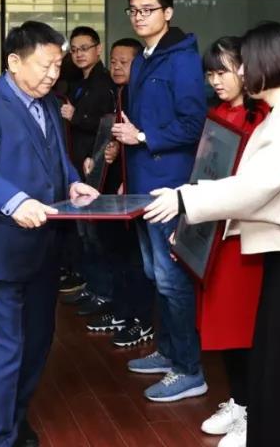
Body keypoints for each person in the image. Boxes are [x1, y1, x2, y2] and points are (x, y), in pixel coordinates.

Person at [144, 22, 280, 446]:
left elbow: (255, 188)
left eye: (244, 62)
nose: (239, 72)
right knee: (274, 362)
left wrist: (184, 200)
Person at [0, 21, 97, 447]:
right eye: (45, 65)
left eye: (58, 65)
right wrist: (14, 200)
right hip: (2, 245)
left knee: (38, 342)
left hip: (45, 244)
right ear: (14, 62)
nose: (53, 74)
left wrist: (72, 182)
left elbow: (57, 155)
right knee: (6, 349)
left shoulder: (50, 102)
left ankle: (16, 420)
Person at [111, 0, 207, 403]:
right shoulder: (145, 58)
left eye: (148, 9)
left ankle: (189, 369)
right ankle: (169, 351)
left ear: (168, 13)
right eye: (133, 10)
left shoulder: (182, 60)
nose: (139, 16)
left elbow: (193, 124)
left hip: (169, 184)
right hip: (142, 181)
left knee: (171, 278)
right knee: (155, 274)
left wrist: (144, 137)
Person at [185, 37, 270, 447]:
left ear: (245, 68)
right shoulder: (216, 114)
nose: (216, 81)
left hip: (245, 237)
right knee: (222, 327)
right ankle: (238, 401)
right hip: (214, 232)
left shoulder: (264, 117)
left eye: (224, 71)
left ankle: (254, 412)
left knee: (244, 328)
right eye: (211, 74)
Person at [84, 38, 157, 348]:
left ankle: (142, 319)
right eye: (113, 61)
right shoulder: (120, 94)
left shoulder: (145, 97)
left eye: (123, 62)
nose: (116, 67)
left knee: (136, 259)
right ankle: (123, 311)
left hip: (138, 191)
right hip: (113, 187)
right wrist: (112, 150)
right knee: (115, 251)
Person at [61, 26, 116, 317]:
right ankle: (92, 286)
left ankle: (104, 291)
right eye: (74, 49)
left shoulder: (104, 83)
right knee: (84, 233)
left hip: (95, 168)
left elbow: (107, 125)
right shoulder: (80, 81)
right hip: (79, 165)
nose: (79, 54)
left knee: (95, 234)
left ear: (98, 49)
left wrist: (76, 116)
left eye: (85, 48)